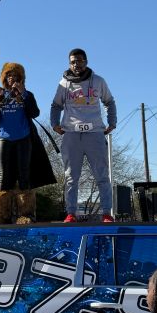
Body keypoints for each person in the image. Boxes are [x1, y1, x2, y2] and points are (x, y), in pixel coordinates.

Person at [0, 61, 54, 225]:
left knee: (24, 176)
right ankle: (1, 216)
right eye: (9, 75)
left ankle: (26, 215)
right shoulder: (0, 96)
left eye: (16, 76)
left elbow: (35, 112)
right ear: (4, 78)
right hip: (4, 139)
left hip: (24, 139)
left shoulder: (26, 95)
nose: (12, 78)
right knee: (3, 178)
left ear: (21, 79)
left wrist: (24, 94)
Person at [49, 48, 116, 223]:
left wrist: (112, 122)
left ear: (85, 61)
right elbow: (55, 105)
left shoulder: (98, 81)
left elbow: (109, 101)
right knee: (71, 177)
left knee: (102, 176)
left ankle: (107, 213)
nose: (76, 64)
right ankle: (71, 213)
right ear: (69, 64)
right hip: (71, 134)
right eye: (72, 62)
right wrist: (54, 124)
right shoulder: (63, 84)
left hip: (94, 134)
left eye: (79, 61)